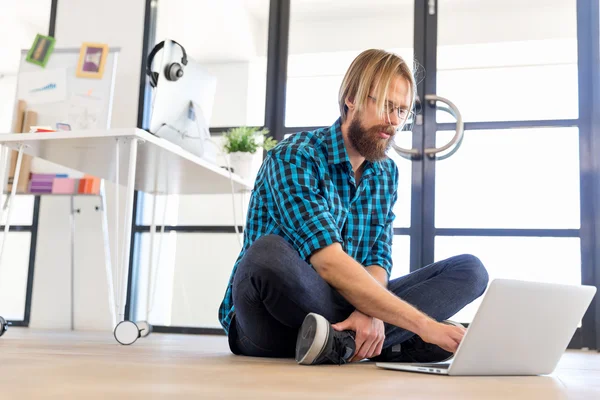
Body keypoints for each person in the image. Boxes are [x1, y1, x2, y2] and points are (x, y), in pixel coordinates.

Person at [218, 48, 489, 365]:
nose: (393, 121)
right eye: (387, 106)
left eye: (402, 111)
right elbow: (328, 263)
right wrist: (425, 326)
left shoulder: (386, 174)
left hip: (339, 308)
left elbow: (377, 262)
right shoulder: (296, 154)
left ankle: (342, 343)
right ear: (351, 99)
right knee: (267, 254)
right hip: (270, 321)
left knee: (470, 270)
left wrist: (367, 311)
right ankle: (386, 341)